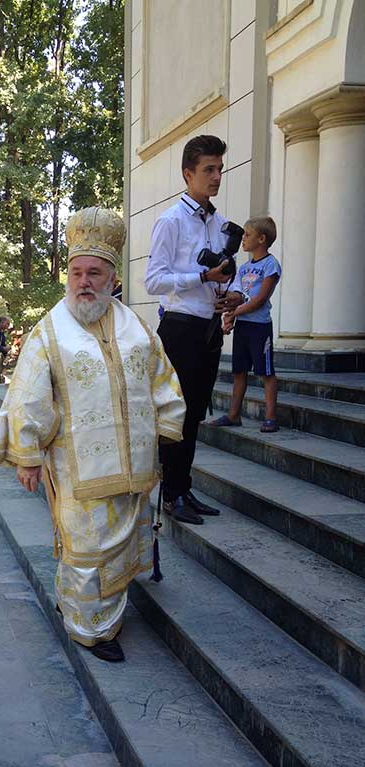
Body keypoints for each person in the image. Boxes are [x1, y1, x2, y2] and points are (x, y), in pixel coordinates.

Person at [0, 207, 185, 663]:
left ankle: (98, 615)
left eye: (94, 272)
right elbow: (28, 394)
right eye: (76, 272)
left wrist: (167, 425)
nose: (83, 281)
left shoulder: (136, 327)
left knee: (117, 547)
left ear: (113, 277)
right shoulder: (50, 331)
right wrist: (29, 455)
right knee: (86, 550)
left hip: (133, 466)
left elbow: (162, 379)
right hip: (76, 468)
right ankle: (88, 629)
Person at [145, 134, 238, 526]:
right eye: (208, 170)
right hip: (180, 328)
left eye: (219, 168)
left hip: (209, 329)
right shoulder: (170, 221)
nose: (216, 177)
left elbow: (223, 275)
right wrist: (201, 275)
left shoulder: (219, 223)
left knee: (196, 413)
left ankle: (183, 488)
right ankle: (170, 493)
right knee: (176, 415)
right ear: (189, 174)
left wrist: (229, 292)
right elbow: (153, 281)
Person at [212, 217, 282, 433]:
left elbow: (260, 299)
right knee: (239, 371)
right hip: (243, 326)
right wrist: (230, 317)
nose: (242, 239)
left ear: (262, 239)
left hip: (260, 327)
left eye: (247, 235)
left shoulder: (271, 265)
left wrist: (234, 313)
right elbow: (241, 297)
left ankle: (270, 417)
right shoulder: (243, 268)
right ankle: (234, 415)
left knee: (266, 372)